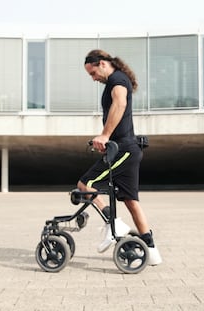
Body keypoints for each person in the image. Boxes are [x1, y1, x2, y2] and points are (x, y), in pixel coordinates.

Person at [78, 49, 162, 266]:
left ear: (103, 64)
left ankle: (113, 221)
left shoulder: (117, 80)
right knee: (131, 201)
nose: (93, 78)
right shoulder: (117, 80)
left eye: (93, 73)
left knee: (85, 184)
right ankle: (151, 251)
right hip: (128, 149)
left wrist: (105, 135)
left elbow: (120, 104)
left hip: (123, 149)